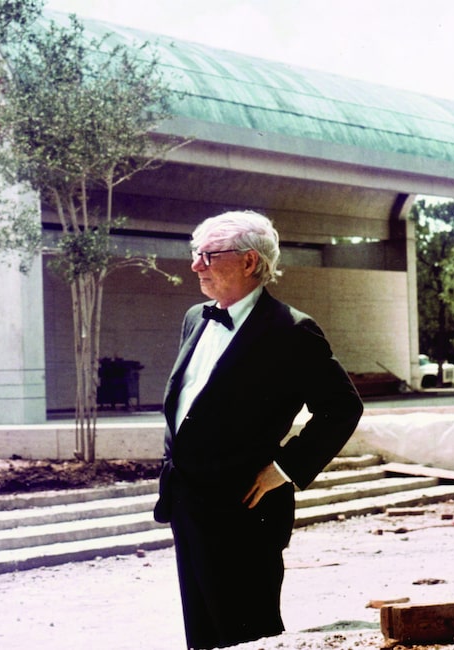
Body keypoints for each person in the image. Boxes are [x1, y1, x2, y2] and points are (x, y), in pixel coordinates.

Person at [154, 210, 364, 649]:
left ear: (249, 262)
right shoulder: (196, 318)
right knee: (204, 633)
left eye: (208, 256)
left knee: (249, 633)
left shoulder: (292, 331)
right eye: (196, 254)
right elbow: (193, 405)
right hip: (187, 502)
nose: (196, 266)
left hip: (245, 506)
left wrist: (285, 467)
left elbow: (342, 407)